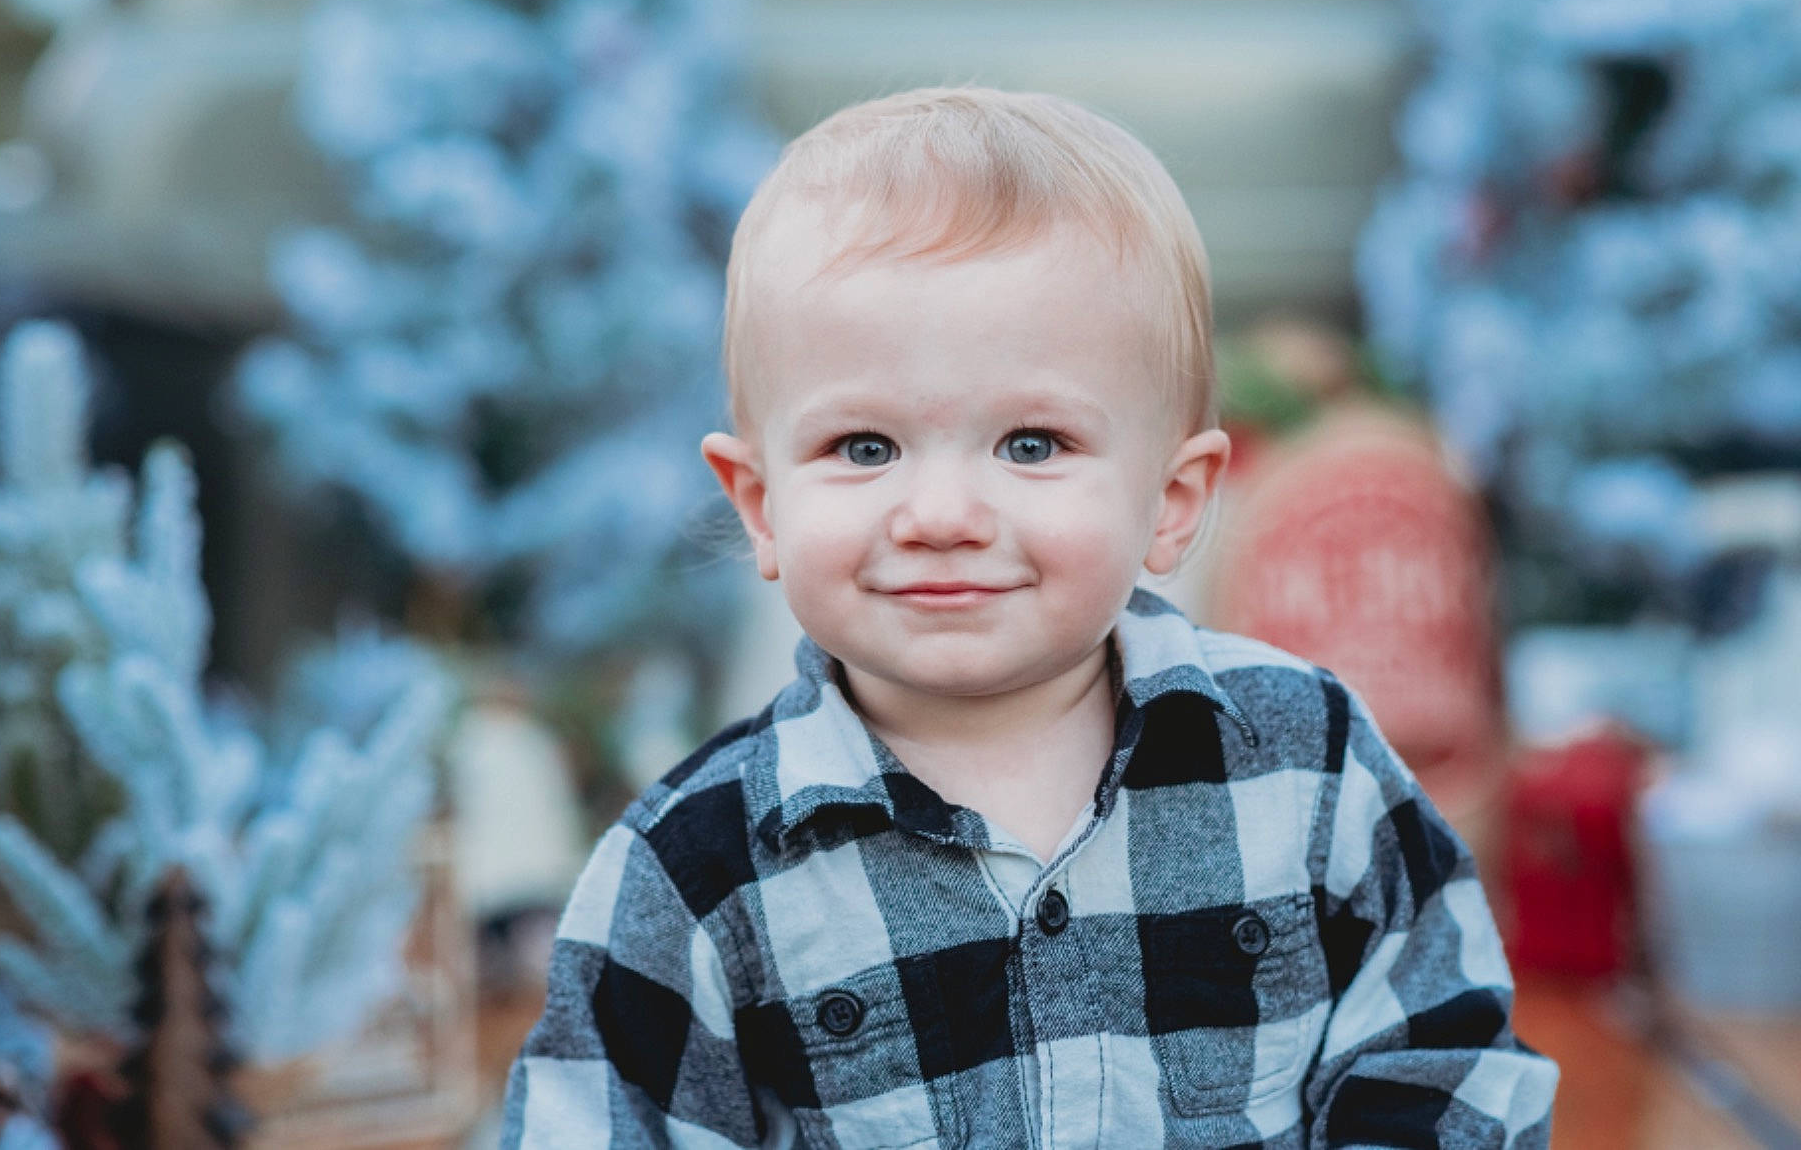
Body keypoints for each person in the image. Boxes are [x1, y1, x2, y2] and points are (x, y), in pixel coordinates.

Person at [499, 87, 1558, 1148]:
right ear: (763, 506)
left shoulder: (1304, 768)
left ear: (1170, 501)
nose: (944, 516)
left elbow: (1441, 1058)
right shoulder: (692, 871)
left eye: (1031, 444)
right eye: (864, 447)